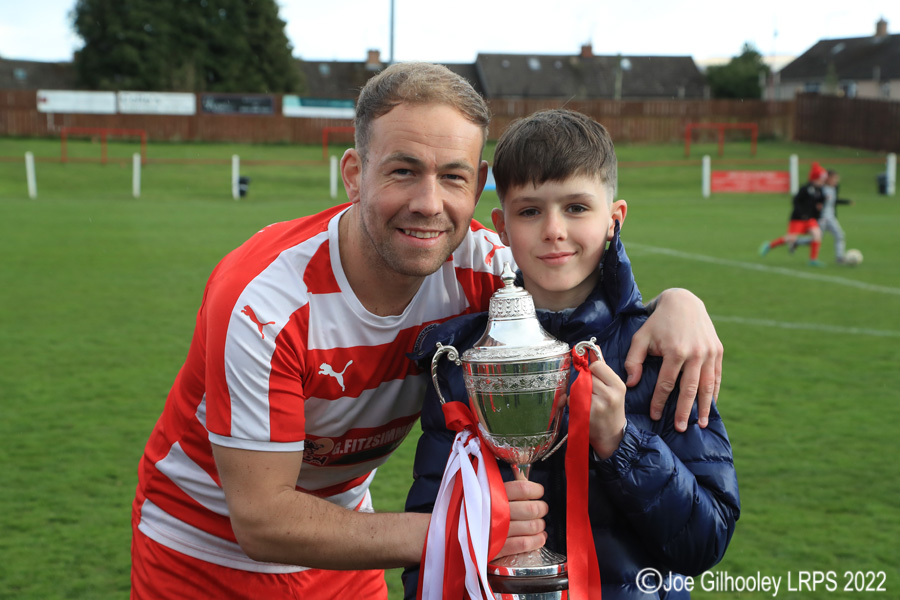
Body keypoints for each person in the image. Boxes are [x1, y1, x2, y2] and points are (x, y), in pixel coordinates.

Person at [131, 63, 725, 599]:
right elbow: (262, 520)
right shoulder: (266, 302)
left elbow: (577, 280)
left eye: (453, 177)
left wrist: (677, 303)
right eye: (403, 171)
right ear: (354, 173)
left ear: (480, 185)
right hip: (202, 552)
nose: (428, 202)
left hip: (346, 535)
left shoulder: (488, 270)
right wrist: (465, 533)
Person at [404, 109, 739, 599]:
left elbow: (705, 539)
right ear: (501, 226)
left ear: (613, 218)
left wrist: (621, 443)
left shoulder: (662, 353)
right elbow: (428, 548)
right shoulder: (465, 364)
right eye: (530, 211)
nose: (554, 230)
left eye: (577, 207)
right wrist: (478, 521)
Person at [759, 161, 827, 266]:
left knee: (817, 234)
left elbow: (819, 204)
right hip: (798, 218)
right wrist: (801, 213)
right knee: (791, 238)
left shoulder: (820, 191)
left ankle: (813, 260)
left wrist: (819, 212)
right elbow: (796, 201)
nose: (822, 182)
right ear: (814, 178)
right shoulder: (805, 189)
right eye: (820, 179)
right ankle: (769, 245)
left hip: (810, 218)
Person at [792, 168, 854, 263]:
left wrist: (846, 202)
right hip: (821, 218)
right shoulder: (820, 188)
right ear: (827, 178)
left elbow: (833, 201)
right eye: (834, 179)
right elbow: (814, 201)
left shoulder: (835, 188)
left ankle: (839, 257)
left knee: (840, 235)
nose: (836, 181)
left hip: (831, 218)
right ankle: (797, 242)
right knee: (817, 238)